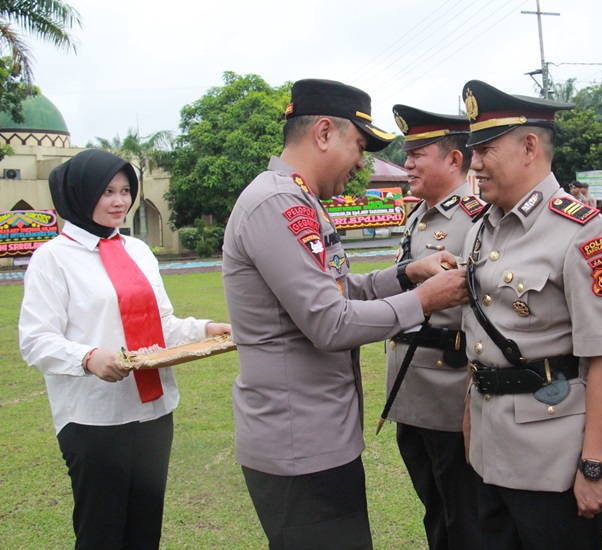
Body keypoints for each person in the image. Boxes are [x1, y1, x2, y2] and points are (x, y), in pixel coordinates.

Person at [221, 79, 468, 550]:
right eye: (358, 145)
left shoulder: (299, 199)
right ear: (324, 133)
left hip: (315, 437)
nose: (361, 162)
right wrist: (425, 300)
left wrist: (407, 275)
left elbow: (335, 291)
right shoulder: (278, 203)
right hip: (299, 444)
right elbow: (330, 323)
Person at [18, 149, 232, 549]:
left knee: (144, 528)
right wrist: (87, 357)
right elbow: (35, 339)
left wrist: (205, 329)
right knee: (101, 528)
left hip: (153, 410)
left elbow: (160, 324)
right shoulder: (53, 259)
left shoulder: (138, 251)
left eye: (125, 191)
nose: (119, 201)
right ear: (80, 194)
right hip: (94, 418)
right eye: (107, 192)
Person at [460, 79, 602, 549]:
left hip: (553, 460)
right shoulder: (487, 227)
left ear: (529, 146)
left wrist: (593, 465)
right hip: (490, 450)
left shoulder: (582, 232)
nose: (474, 163)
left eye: (485, 149)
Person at [384, 104, 482, 549]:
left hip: (448, 395)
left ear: (454, 159)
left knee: (462, 516)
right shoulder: (418, 216)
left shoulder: (477, 220)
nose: (406, 165)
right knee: (435, 510)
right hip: (410, 391)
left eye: (417, 153)